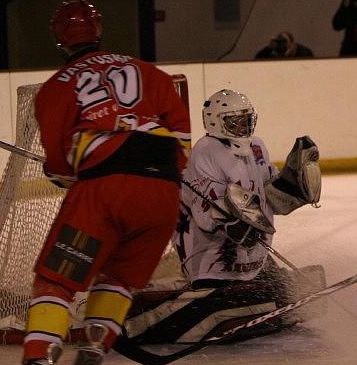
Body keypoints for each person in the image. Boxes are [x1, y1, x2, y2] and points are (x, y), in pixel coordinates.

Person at [0, 0, 191, 365]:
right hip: (163, 194)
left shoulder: (56, 87)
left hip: (105, 190)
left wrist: (70, 171)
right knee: (119, 279)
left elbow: (61, 166)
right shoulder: (148, 71)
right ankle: (93, 353)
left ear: (58, 38)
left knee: (55, 282)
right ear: (98, 30)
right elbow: (182, 138)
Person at [123, 89, 323, 345]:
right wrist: (235, 224)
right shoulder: (206, 151)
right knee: (259, 297)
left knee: (289, 290)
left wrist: (292, 185)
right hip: (212, 259)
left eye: (247, 119)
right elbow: (207, 217)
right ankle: (143, 323)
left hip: (252, 259)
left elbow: (270, 197)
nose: (243, 126)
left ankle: (247, 302)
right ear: (215, 122)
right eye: (235, 121)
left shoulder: (257, 146)